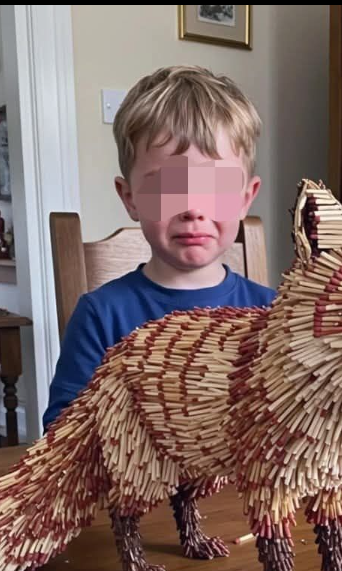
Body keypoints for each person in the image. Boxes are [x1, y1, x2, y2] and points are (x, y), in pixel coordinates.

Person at [42, 65, 276, 430]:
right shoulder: (101, 315)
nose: (193, 208)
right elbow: (63, 433)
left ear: (246, 198)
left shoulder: (274, 312)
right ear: (130, 198)